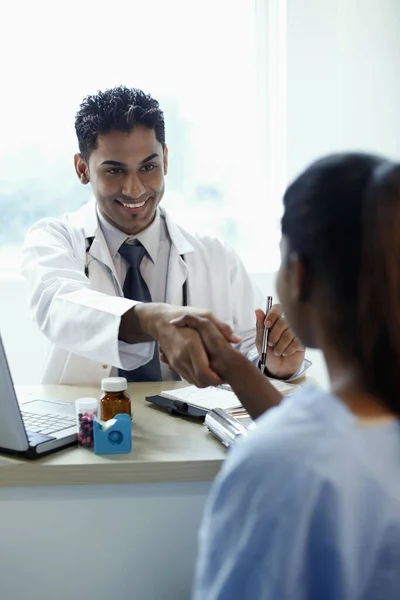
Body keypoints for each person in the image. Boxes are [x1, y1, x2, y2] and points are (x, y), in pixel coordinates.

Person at [178, 153, 400, 599]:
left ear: (297, 276)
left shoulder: (278, 465)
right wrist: (236, 366)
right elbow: (332, 436)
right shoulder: (361, 430)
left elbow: (306, 447)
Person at [21, 86, 308, 386]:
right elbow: (59, 305)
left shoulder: (214, 255)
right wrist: (153, 320)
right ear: (83, 169)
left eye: (148, 167)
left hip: (184, 431)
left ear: (166, 160)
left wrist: (274, 364)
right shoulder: (54, 240)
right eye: (114, 171)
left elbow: (249, 351)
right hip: (86, 426)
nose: (134, 189)